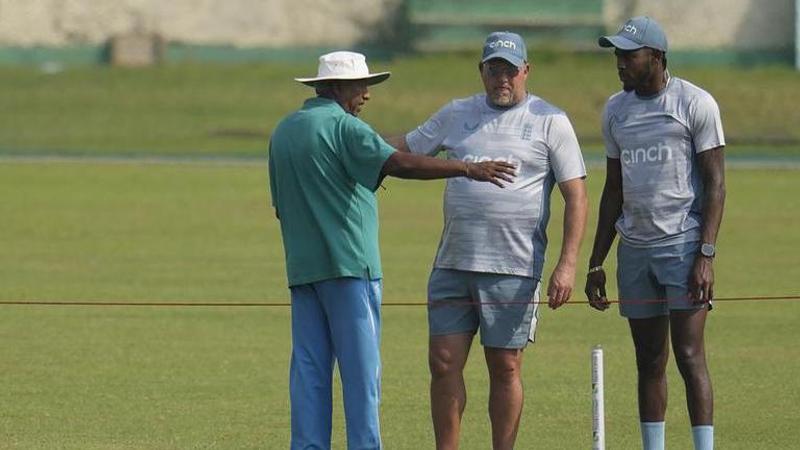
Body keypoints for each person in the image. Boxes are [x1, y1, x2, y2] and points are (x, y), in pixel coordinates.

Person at [268, 51, 516, 450]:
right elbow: (399, 163)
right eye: (360, 86)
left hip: (302, 271)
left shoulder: (283, 131)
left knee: (309, 373)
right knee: (362, 377)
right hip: (351, 271)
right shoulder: (345, 127)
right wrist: (468, 168)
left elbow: (281, 207)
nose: (366, 94)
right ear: (336, 88)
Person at [387, 32, 588, 450]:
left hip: (513, 267)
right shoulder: (457, 113)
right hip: (453, 262)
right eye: (494, 69)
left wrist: (566, 265)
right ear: (481, 71)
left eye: (510, 70)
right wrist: (349, 142)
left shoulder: (551, 120)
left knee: (505, 366)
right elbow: (404, 150)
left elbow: (576, 196)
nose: (502, 78)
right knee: (442, 363)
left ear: (526, 71)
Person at [584, 16, 726, 450]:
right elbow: (613, 190)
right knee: (649, 361)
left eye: (628, 55)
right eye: (616, 55)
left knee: (688, 356)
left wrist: (706, 254)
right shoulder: (615, 110)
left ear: (657, 57)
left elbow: (716, 183)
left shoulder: (695, 103)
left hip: (683, 247)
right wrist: (596, 262)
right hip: (635, 250)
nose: (620, 63)